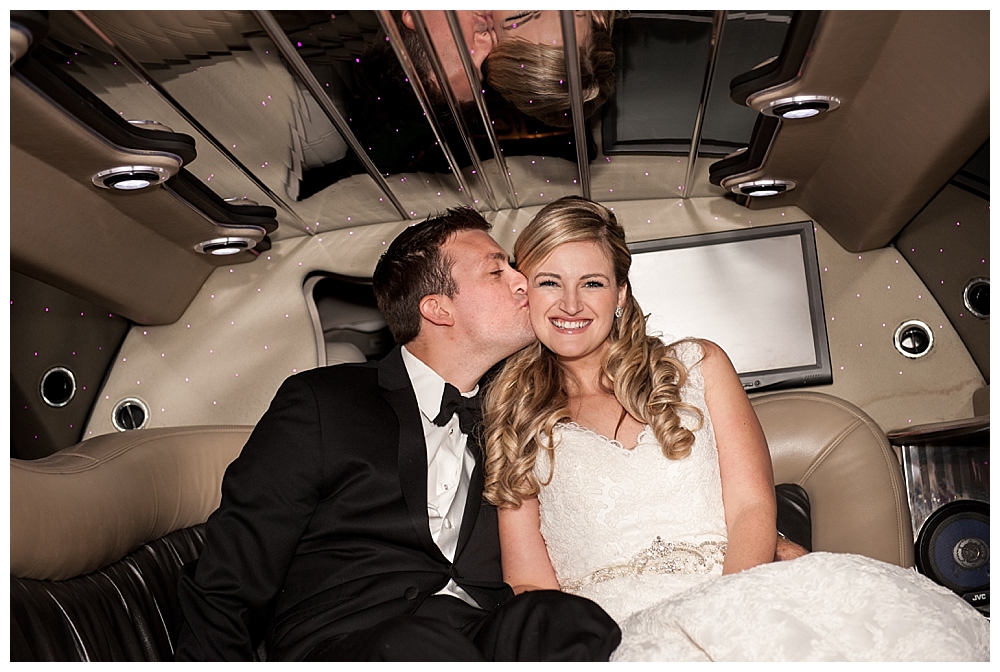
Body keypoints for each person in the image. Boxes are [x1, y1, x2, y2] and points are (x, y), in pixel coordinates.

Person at [482, 196, 990, 661]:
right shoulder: (512, 415)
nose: (570, 304)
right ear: (526, 294)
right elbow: (529, 582)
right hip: (608, 636)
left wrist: (730, 615)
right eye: (550, 281)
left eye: (591, 282)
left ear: (620, 294)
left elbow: (751, 508)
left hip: (739, 592)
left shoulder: (698, 366)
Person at [175, 207, 621, 661]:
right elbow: (229, 577)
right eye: (496, 270)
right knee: (416, 646)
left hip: (477, 631)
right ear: (438, 308)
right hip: (351, 640)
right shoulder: (324, 403)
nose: (524, 281)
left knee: (566, 620)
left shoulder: (515, 413)